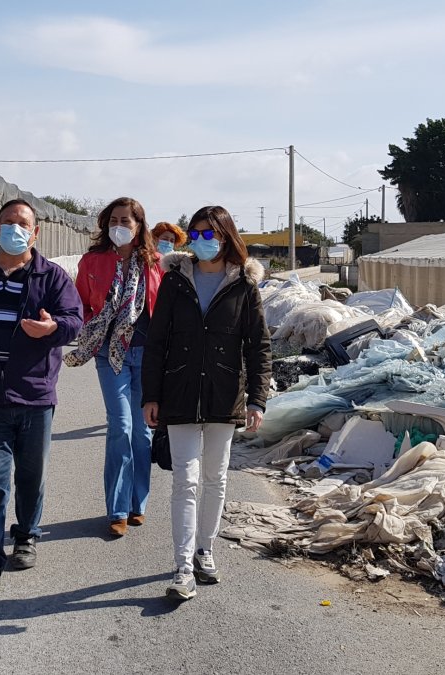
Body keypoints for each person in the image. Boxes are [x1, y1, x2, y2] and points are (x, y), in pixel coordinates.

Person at [0, 198, 83, 593]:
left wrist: (52, 327)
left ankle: (26, 534)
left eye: (22, 223)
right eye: (7, 222)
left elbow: (75, 323)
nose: (14, 229)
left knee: (31, 474)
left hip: (36, 396)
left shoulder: (52, 277)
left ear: (35, 232)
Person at [141, 205, 271, 602]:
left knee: (216, 478)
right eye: (194, 234)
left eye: (208, 233)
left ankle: (204, 550)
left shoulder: (244, 284)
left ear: (226, 235)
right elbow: (157, 341)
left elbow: (259, 346)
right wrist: (151, 395)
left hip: (224, 393)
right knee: (186, 479)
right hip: (178, 392)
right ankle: (182, 565)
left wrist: (258, 398)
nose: (201, 241)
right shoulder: (175, 280)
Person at [65, 197, 162, 537]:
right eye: (114, 220)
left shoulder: (155, 262)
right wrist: (95, 326)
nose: (119, 225)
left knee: (142, 431)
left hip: (148, 357)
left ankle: (138, 503)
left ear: (139, 226)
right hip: (110, 355)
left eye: (127, 220)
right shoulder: (93, 260)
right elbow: (78, 303)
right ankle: (117, 509)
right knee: (120, 426)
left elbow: (163, 310)